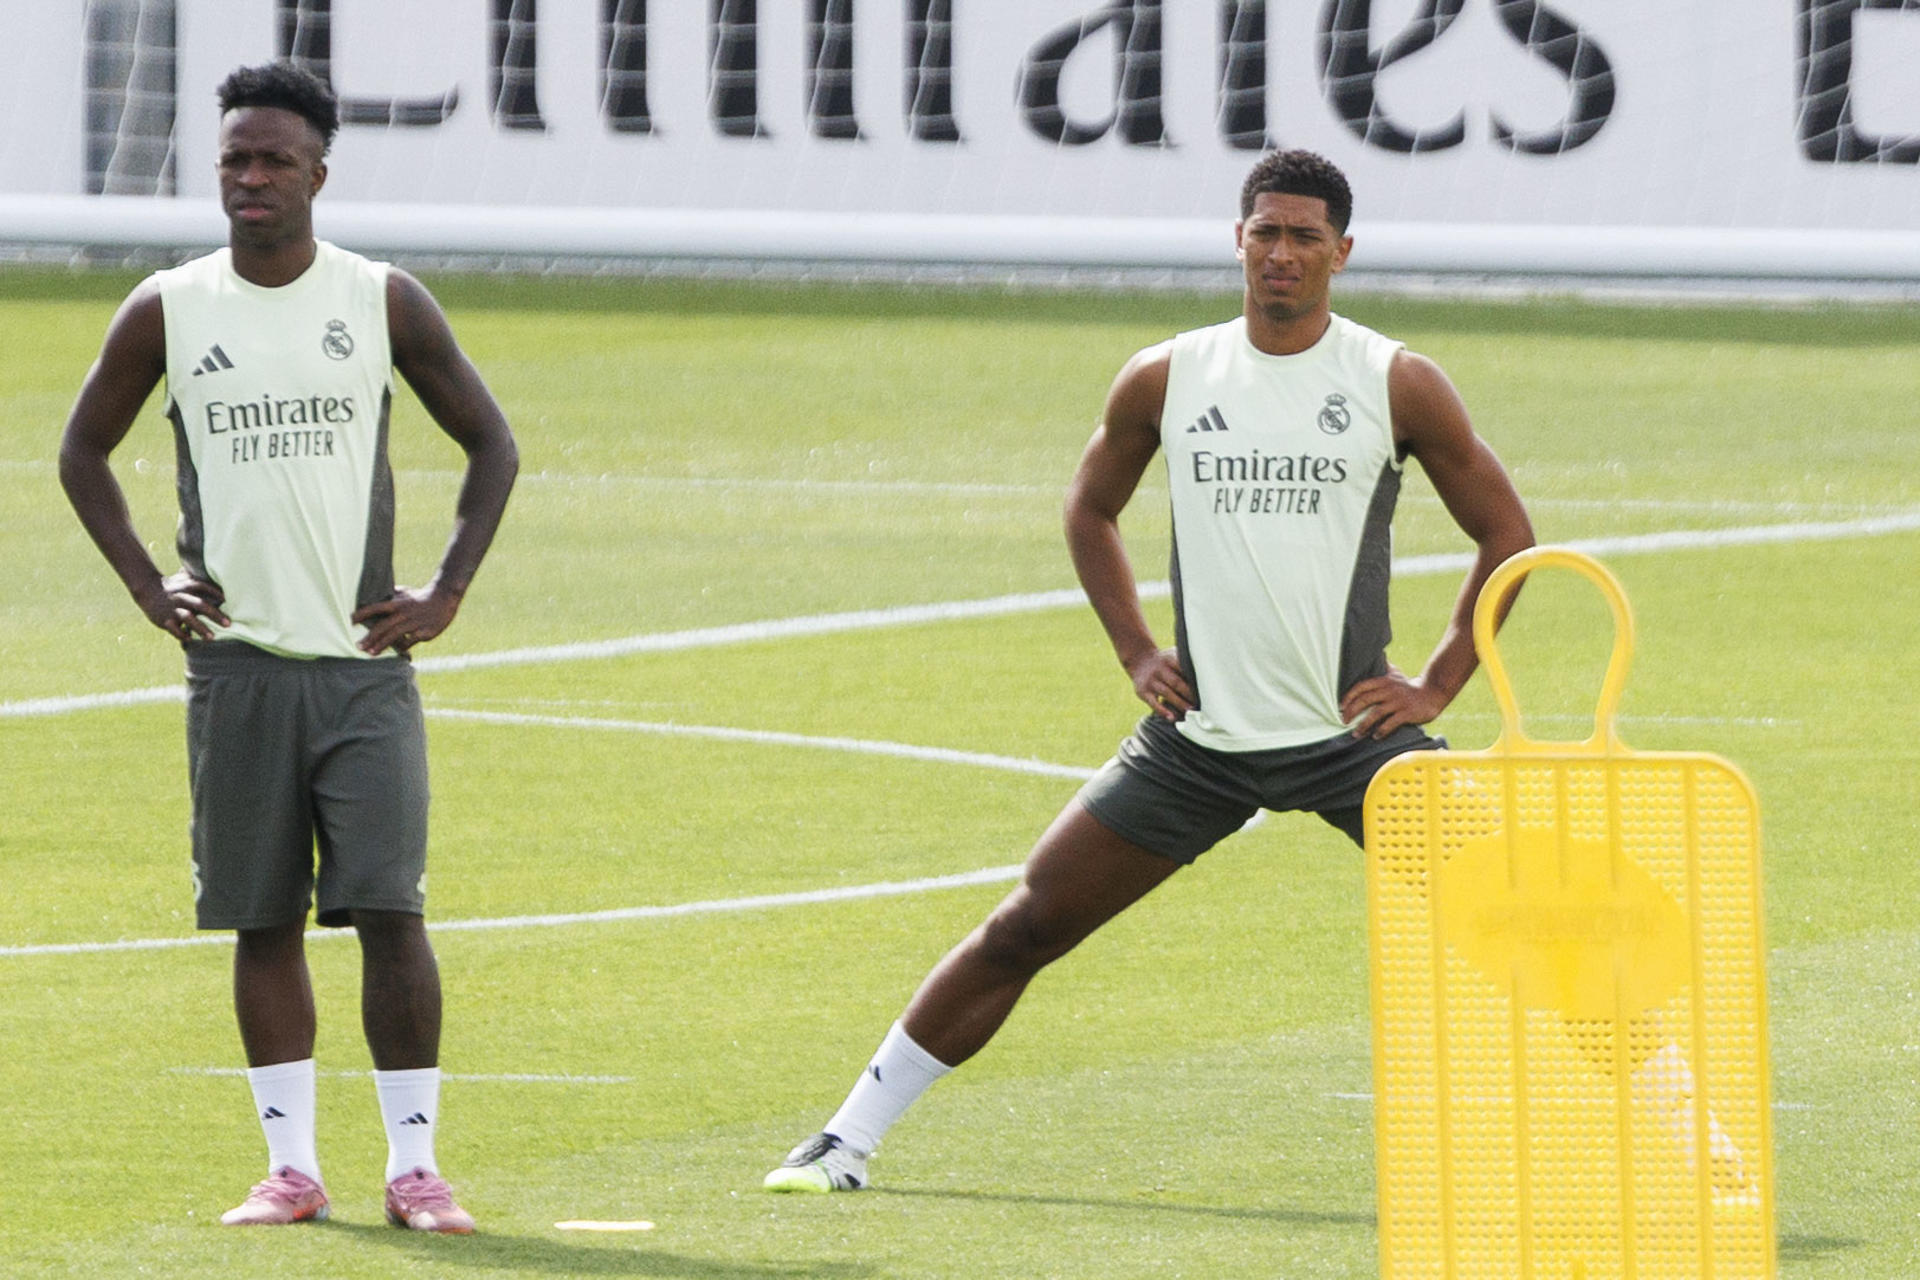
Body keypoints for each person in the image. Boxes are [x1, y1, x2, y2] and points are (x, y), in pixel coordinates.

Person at [763, 149, 1536, 1193]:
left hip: (1354, 746)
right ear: (1237, 240)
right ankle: (844, 1139)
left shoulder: (1393, 380)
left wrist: (1438, 684)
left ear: (1343, 254)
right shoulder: (1169, 375)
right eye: (1265, 230)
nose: (1282, 253)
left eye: (1306, 236)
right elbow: (1090, 508)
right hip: (1198, 748)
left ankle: (1696, 1131)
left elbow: (1508, 537)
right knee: (1027, 921)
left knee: (1529, 921)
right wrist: (1136, 648)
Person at [59, 62, 517, 1232]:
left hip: (366, 667)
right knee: (261, 915)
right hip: (239, 666)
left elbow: (492, 446)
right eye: (232, 160)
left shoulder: (382, 300)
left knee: (388, 910)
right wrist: (147, 582)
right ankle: (292, 1168)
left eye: (271, 160)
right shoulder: (170, 305)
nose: (249, 178)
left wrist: (447, 589)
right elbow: (82, 454)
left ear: (319, 171)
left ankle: (417, 1169)